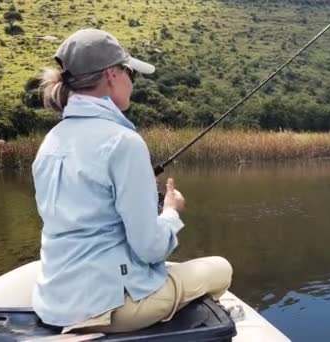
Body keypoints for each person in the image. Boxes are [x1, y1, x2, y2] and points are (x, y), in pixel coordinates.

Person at [32, 28, 233, 334]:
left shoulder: (49, 142)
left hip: (52, 305)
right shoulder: (124, 142)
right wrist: (171, 212)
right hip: (108, 309)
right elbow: (150, 250)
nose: (131, 82)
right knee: (221, 268)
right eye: (130, 73)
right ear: (112, 74)